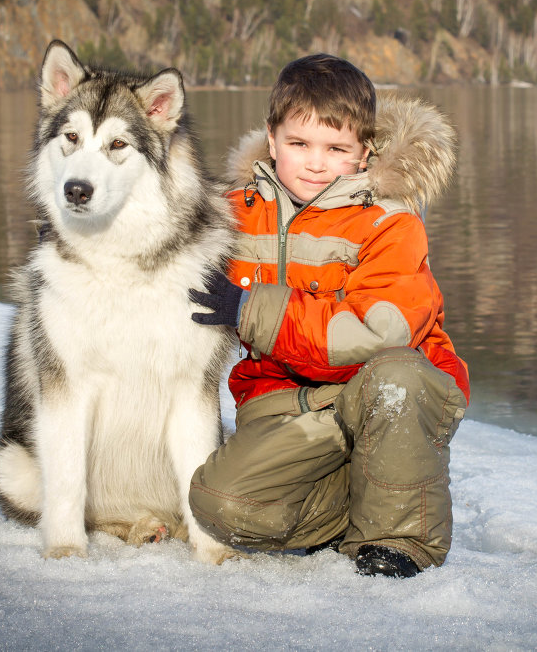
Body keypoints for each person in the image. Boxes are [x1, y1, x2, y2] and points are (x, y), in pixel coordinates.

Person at [187, 54, 469, 578]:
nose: (315, 163)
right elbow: (162, 239)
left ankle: (395, 542)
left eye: (336, 149)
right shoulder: (232, 210)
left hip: (381, 393)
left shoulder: (390, 222)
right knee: (219, 506)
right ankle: (347, 506)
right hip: (282, 403)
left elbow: (381, 330)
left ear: (364, 152)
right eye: (298, 145)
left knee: (397, 377)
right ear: (272, 140)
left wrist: (250, 308)